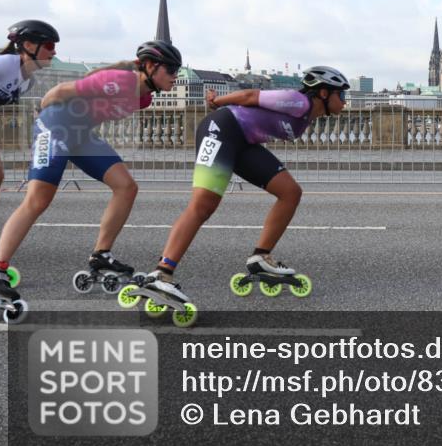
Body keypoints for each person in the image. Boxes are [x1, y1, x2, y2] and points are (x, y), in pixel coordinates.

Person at [0, 40, 182, 309]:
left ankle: (101, 254)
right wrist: (45, 118)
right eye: (171, 70)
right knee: (38, 199)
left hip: (81, 135)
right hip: (56, 125)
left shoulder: (144, 98)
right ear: (150, 66)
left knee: (126, 186)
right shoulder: (121, 80)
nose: (175, 76)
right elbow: (60, 90)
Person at [135, 65, 349, 307]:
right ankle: (161, 272)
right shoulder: (298, 101)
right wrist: (217, 101)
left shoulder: (308, 114)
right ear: (323, 93)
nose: (344, 101)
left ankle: (261, 257)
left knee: (290, 192)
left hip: (243, 142)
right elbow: (250, 96)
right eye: (340, 94)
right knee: (203, 205)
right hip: (221, 130)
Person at [0, 20, 61, 218]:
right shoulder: (2, 64)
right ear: (28, 45)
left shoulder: (28, 82)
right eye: (49, 46)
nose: (54, 52)